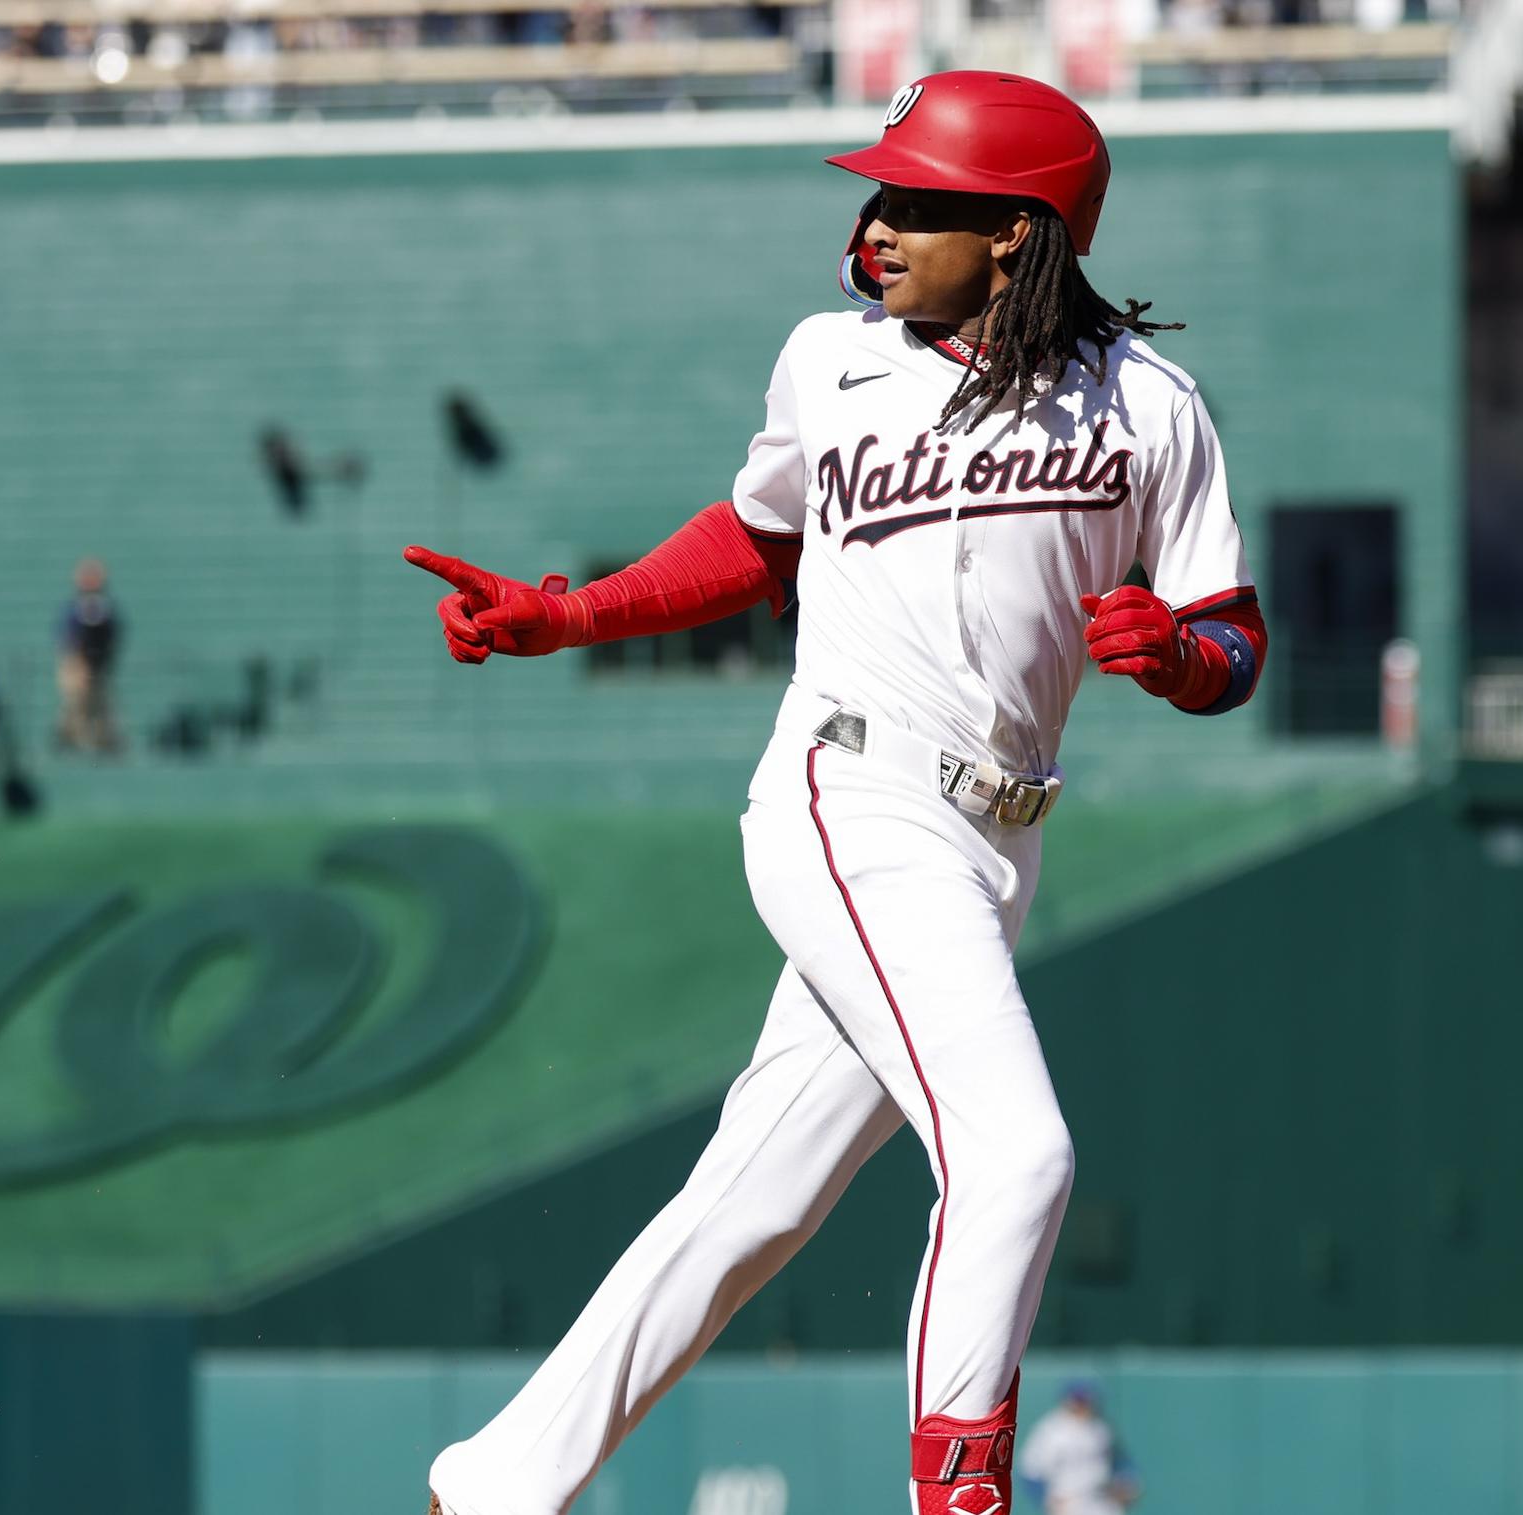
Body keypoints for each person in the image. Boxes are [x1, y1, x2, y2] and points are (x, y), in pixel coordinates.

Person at [403, 72, 1263, 1515]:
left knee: (753, 1202)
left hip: (994, 838)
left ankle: (491, 1484)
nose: (873, 222)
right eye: (875, 192)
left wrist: (1180, 658)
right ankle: (963, 1496)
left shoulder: (1149, 403)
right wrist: (570, 615)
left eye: (914, 199)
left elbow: (1231, 632)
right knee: (1017, 1153)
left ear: (1016, 233)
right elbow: (752, 542)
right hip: (847, 790)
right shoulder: (830, 360)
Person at [1018, 1382, 1141, 1515]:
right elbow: (1030, 1469)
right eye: (1079, 1400)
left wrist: (1126, 1484)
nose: (1083, 1405)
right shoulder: (1051, 1430)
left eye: (1087, 1400)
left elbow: (1119, 1462)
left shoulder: (1101, 1427)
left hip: (1101, 1500)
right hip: (1070, 1502)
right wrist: (1044, 1499)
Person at [55, 557, 126, 755]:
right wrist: (77, 659)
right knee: (75, 703)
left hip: (98, 663)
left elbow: (114, 633)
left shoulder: (105, 607)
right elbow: (66, 636)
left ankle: (104, 742)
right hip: (77, 662)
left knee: (100, 704)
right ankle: (69, 741)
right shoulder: (74, 607)